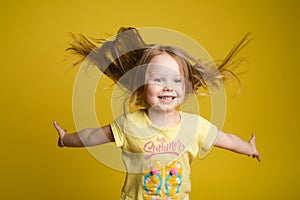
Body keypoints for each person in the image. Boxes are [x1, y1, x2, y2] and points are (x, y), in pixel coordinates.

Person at [54, 27, 260, 200]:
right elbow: (91, 136)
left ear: (186, 87)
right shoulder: (129, 125)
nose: (167, 87)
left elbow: (229, 141)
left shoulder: (195, 126)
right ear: (142, 86)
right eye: (158, 79)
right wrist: (65, 139)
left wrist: (249, 148)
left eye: (176, 80)